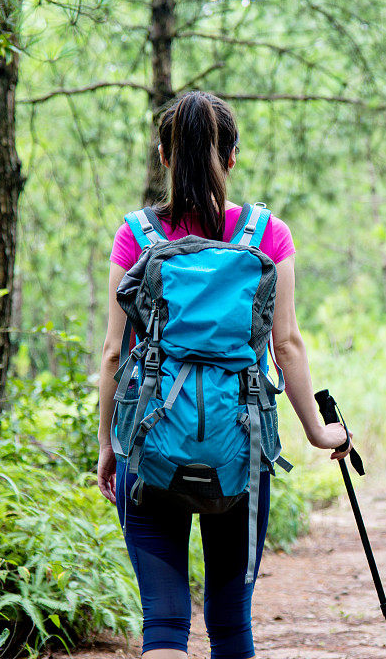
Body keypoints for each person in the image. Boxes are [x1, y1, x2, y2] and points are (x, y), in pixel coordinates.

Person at [96, 90, 352, 659]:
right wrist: (319, 432)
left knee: (163, 622)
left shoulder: (136, 236)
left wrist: (108, 446)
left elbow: (115, 351)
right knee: (231, 624)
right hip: (242, 445)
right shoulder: (268, 234)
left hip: (150, 442)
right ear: (231, 158)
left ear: (164, 156)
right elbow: (286, 344)